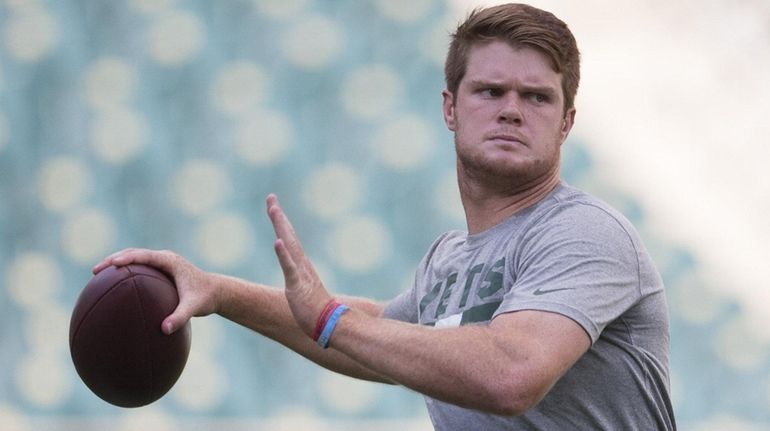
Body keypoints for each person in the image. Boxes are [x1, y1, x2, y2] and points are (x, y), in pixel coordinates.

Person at [93, 3, 676, 430]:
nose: (512, 111)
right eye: (490, 91)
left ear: (567, 122)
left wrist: (331, 318)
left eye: (537, 97)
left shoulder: (587, 232)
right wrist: (217, 291)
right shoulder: (448, 260)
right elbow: (372, 338)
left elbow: (511, 374)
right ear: (450, 108)